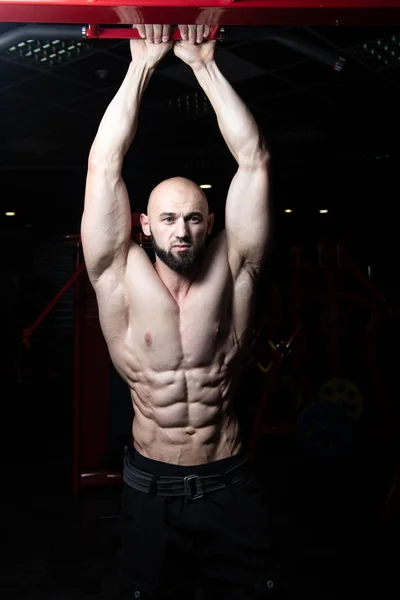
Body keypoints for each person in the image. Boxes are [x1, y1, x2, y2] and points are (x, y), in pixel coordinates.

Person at [81, 23, 278, 600]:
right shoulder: (118, 276)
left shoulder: (235, 269)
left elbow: (254, 160)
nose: (183, 231)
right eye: (168, 219)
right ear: (144, 225)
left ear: (211, 221)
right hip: (152, 485)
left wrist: (203, 65)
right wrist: (141, 66)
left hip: (228, 477)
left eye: (194, 217)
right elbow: (103, 166)